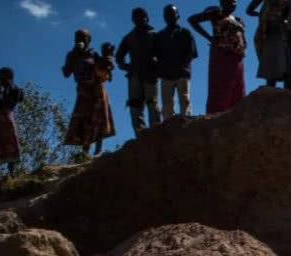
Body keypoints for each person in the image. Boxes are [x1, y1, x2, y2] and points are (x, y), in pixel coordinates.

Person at [63, 31, 117, 157]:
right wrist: (73, 57)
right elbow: (66, 73)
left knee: (100, 118)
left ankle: (98, 150)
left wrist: (108, 60)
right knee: (84, 119)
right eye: (77, 38)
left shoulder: (93, 54)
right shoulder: (72, 55)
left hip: (97, 89)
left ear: (88, 40)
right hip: (83, 90)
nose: (80, 40)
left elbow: (106, 70)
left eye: (83, 38)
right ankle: (85, 151)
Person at [189, 0, 248, 113]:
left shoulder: (238, 19)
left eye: (235, 1)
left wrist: (243, 46)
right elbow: (192, 20)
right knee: (221, 85)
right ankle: (217, 116)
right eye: (231, 1)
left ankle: (236, 115)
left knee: (237, 85)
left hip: (237, 57)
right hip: (222, 54)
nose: (234, 3)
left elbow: (242, 37)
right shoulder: (217, 13)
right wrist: (209, 37)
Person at [117, 7, 161, 137]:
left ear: (147, 18)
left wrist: (157, 64)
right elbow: (119, 56)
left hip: (151, 74)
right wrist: (127, 67)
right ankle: (140, 135)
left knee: (152, 103)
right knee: (135, 105)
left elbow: (163, 54)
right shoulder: (129, 37)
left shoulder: (154, 35)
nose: (138, 19)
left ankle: (156, 132)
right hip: (135, 76)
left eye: (141, 17)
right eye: (135, 17)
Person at [156, 4, 199, 118]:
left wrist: (183, 66)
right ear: (164, 17)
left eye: (172, 14)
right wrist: (161, 69)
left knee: (185, 102)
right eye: (167, 15)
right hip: (166, 75)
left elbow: (192, 53)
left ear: (178, 16)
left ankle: (187, 124)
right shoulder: (160, 36)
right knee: (167, 106)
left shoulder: (186, 33)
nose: (170, 17)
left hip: (182, 73)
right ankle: (169, 126)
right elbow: (156, 55)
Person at [246, 0, 288, 89]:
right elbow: (249, 10)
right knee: (271, 66)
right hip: (269, 32)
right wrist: (261, 15)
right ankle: (271, 90)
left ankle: (277, 90)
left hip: (281, 31)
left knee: (282, 65)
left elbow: (249, 10)